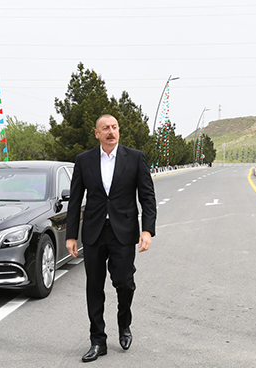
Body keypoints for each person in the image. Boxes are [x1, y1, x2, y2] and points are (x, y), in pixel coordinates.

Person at [66, 114, 157, 363]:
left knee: (124, 283)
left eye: (114, 127)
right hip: (94, 232)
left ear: (119, 131)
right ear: (97, 133)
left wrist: (147, 230)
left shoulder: (135, 158)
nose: (111, 132)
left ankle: (124, 324)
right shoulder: (84, 160)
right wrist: (71, 235)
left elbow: (147, 196)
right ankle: (98, 341)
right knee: (94, 287)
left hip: (123, 232)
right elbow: (75, 199)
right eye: (105, 128)